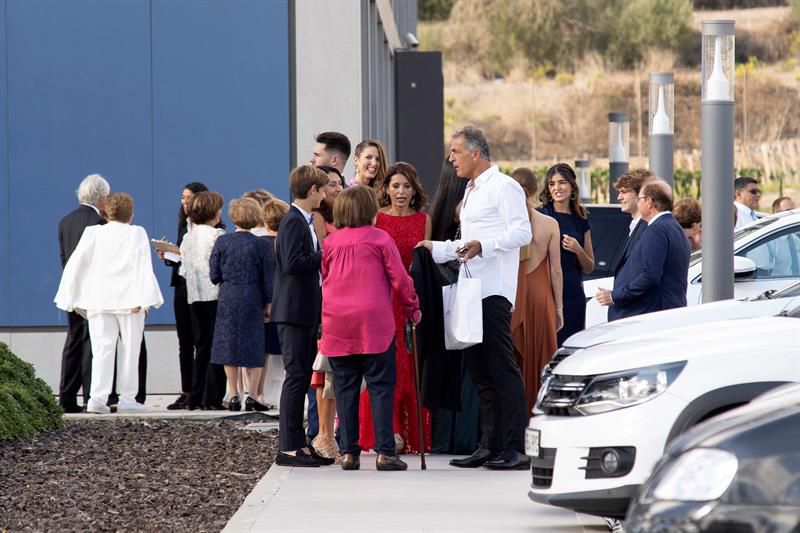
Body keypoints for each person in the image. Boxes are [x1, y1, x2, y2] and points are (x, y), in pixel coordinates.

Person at [418, 125, 532, 470]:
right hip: (470, 291)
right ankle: (489, 445)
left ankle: (515, 448)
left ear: (475, 153)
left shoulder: (504, 186)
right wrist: (436, 248)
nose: (450, 159)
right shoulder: (470, 191)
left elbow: (522, 232)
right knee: (480, 373)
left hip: (493, 290)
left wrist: (485, 246)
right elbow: (466, 244)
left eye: (455, 151)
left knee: (501, 369)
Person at [320, 185, 421, 471]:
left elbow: (325, 278)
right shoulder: (380, 239)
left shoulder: (330, 243)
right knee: (380, 386)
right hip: (374, 322)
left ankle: (349, 453)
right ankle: (385, 452)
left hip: (337, 322)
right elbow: (400, 279)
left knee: (345, 387)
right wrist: (413, 308)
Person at [55, 193, 163, 414]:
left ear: (106, 213)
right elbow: (142, 266)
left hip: (98, 301)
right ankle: (128, 398)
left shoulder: (93, 233)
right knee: (131, 350)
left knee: (102, 350)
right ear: (131, 214)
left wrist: (71, 296)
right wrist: (144, 300)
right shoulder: (136, 233)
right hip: (129, 302)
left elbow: (76, 264)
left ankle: (97, 398)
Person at [359, 161, 432, 455]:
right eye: (395, 186)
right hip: (383, 298)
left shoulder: (424, 220)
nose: (401, 192)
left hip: (412, 298)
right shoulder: (377, 218)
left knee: (410, 365)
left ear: (414, 190)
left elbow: (426, 263)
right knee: (387, 363)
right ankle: (388, 431)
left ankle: (407, 432)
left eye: (406, 186)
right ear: (386, 189)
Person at [272, 165, 334, 468]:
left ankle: (298, 444)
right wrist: (324, 254)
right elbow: (292, 263)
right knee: (296, 377)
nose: (325, 195)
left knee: (301, 376)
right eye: (322, 189)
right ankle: (289, 447)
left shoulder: (301, 220)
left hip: (303, 312)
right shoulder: (294, 221)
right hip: (294, 312)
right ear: (312, 190)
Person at [426, 158, 479, 455]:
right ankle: (466, 437)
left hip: (440, 300)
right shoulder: (471, 211)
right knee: (470, 369)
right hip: (470, 298)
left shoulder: (435, 215)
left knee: (444, 367)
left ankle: (443, 437)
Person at [209, 198, 274, 412]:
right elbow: (268, 278)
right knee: (254, 344)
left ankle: (234, 393)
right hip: (253, 296)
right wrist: (268, 304)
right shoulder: (261, 245)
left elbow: (214, 275)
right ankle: (252, 394)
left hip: (228, 296)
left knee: (229, 344)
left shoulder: (222, 242)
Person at [509, 167, 563, 412]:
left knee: (513, 361)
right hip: (542, 298)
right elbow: (556, 271)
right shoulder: (550, 224)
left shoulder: (506, 225)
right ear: (534, 190)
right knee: (542, 357)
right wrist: (559, 309)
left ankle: (516, 418)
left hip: (514, 294)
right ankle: (541, 412)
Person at [596, 181, 690, 320]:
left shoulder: (656, 229)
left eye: (639, 199)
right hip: (668, 311)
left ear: (649, 202)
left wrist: (614, 295)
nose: (638, 203)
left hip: (652, 314)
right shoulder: (674, 227)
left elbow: (650, 276)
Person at [56, 174, 111, 413]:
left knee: (73, 340)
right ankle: (91, 396)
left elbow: (64, 258)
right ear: (101, 197)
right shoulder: (99, 223)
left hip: (72, 290)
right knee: (92, 342)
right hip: (94, 291)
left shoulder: (65, 221)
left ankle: (66, 397)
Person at [309, 165, 346, 462]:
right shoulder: (319, 218)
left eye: (339, 184)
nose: (336, 189)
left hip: (345, 299)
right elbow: (325, 256)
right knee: (324, 369)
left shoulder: (345, 216)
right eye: (331, 185)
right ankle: (322, 434)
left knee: (336, 370)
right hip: (328, 297)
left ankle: (332, 434)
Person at [178, 191, 227, 410]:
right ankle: (212, 397)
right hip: (215, 294)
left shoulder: (188, 237)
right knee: (217, 346)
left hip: (194, 296)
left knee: (202, 346)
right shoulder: (218, 235)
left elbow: (184, 270)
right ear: (214, 213)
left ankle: (196, 395)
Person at [162, 181, 208, 410]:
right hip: (181, 286)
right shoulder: (183, 225)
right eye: (182, 198)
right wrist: (169, 256)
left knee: (202, 339)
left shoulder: (210, 226)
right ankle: (186, 389)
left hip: (200, 288)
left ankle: (201, 390)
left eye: (189, 198)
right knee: (184, 341)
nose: (185, 202)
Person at [538, 163, 594, 346]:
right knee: (548, 347)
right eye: (552, 184)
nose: (557, 188)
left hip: (573, 293)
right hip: (547, 291)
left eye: (562, 182)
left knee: (571, 347)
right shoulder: (541, 216)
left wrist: (578, 249)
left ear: (572, 186)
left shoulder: (581, 218)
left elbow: (589, 266)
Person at [608, 168, 653, 322]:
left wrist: (614, 296)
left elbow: (646, 276)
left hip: (638, 314)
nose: (619, 197)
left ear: (640, 194)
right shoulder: (636, 226)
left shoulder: (648, 228)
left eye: (624, 192)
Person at [259, 198, 290, 410]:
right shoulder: (286, 244)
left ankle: (261, 393)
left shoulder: (259, 244)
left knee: (265, 353)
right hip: (284, 303)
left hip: (263, 305)